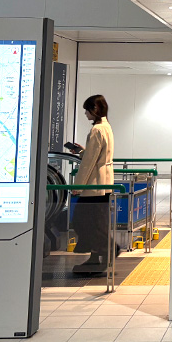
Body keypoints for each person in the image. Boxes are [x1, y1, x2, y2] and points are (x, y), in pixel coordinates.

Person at [68, 95, 116, 269]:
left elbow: (89, 162)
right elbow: (96, 155)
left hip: (95, 184)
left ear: (95, 109)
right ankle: (96, 257)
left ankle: (108, 249)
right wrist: (83, 152)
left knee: (82, 220)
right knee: (97, 221)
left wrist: (78, 186)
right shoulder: (106, 127)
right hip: (105, 181)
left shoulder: (97, 130)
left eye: (87, 109)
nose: (85, 113)